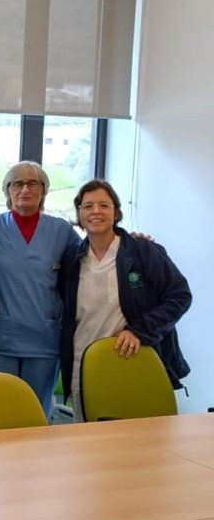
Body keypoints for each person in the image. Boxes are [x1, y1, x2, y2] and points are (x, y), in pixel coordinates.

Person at [59, 180, 191, 421]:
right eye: (87, 206)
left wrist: (139, 331)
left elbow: (180, 296)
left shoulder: (144, 252)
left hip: (133, 358)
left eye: (103, 205)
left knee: (138, 435)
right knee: (87, 434)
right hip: (83, 362)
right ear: (79, 214)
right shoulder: (72, 258)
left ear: (116, 213)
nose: (95, 211)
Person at [0, 161, 81, 417]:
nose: (25, 189)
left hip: (44, 338)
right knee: (0, 411)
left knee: (36, 412)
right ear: (7, 190)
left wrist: (130, 241)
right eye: (17, 183)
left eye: (33, 183)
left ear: (44, 190)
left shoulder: (61, 231)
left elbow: (92, 254)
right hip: (1, 338)